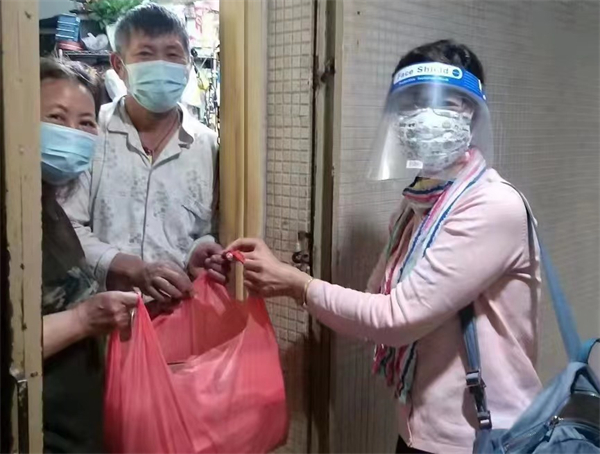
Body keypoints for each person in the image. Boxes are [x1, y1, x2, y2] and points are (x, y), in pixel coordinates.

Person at [227, 40, 543, 453]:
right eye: (410, 104)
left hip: (481, 436)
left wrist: (297, 285)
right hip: (418, 427)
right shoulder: (417, 205)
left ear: (469, 112)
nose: (422, 116)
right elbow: (376, 300)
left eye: (442, 102)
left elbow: (396, 318)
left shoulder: (492, 206)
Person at [62, 3, 228, 308]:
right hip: (98, 315)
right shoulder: (91, 130)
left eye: (173, 54)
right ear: (119, 65)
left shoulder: (208, 147)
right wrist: (129, 267)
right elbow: (66, 225)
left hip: (178, 314)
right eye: (146, 54)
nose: (161, 65)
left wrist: (201, 251)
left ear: (188, 64)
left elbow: (206, 231)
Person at [39, 57, 138, 453]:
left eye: (85, 122)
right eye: (56, 117)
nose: (73, 133)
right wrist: (83, 319)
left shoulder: (49, 207)